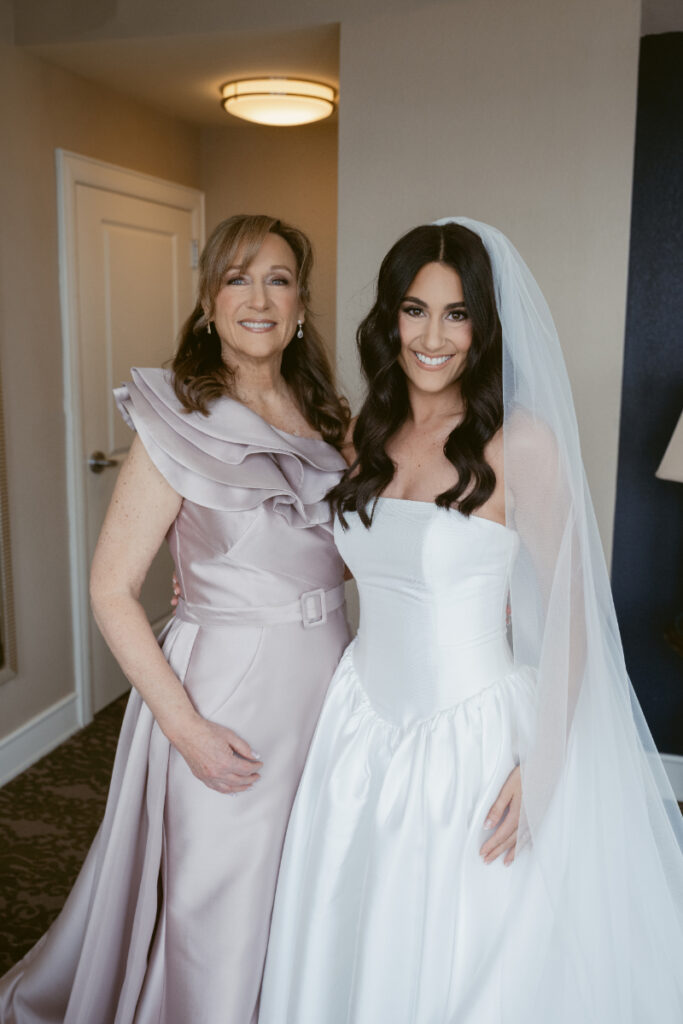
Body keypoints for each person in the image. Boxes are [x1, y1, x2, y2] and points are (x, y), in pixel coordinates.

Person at [259, 218, 683, 1023]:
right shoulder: (364, 434)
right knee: (350, 932)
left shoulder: (520, 444)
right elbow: (333, 563)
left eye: (456, 315)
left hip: (472, 741)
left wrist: (544, 767)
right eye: (415, 310)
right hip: (356, 727)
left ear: (484, 327)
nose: (432, 336)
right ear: (390, 317)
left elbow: (570, 619)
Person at [0, 214, 351, 1024]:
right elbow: (111, 589)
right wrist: (186, 729)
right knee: (219, 901)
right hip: (228, 690)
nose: (257, 297)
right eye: (236, 278)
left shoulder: (331, 418)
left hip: (332, 688)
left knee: (301, 890)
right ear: (207, 304)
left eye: (277, 279)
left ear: (300, 306)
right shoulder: (176, 422)